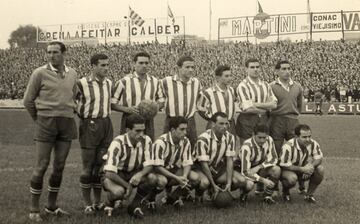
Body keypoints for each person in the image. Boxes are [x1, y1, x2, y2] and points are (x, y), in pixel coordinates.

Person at [23, 41, 78, 222]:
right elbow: (28, 101)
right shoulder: (39, 73)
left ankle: (52, 206)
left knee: (59, 166)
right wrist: (39, 119)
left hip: (67, 122)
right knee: (42, 165)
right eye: (49, 52)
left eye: (55, 52)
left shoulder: (72, 73)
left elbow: (73, 95)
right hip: (46, 122)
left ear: (64, 53)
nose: (51, 55)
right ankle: (33, 209)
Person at [76, 53, 113, 214]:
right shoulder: (82, 83)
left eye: (107, 65)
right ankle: (87, 203)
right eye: (102, 65)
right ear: (93, 66)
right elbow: (72, 102)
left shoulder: (109, 83)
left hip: (106, 124)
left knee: (100, 165)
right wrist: (84, 117)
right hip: (90, 125)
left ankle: (98, 202)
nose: (105, 68)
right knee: (88, 166)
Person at [101, 114, 157, 218]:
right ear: (127, 130)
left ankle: (134, 205)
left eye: (143, 130)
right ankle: (109, 202)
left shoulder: (146, 140)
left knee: (152, 178)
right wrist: (128, 187)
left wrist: (140, 174)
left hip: (133, 172)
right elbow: (109, 172)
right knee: (119, 192)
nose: (141, 134)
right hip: (116, 174)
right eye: (137, 131)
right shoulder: (118, 143)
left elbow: (149, 165)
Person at [193, 112, 245, 202]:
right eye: (221, 123)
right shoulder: (203, 139)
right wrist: (213, 184)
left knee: (240, 180)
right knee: (205, 182)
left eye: (226, 123)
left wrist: (228, 182)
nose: (224, 126)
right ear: (213, 124)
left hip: (217, 167)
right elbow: (203, 165)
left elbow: (229, 160)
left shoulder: (230, 137)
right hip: (200, 168)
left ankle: (221, 190)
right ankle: (199, 194)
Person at [111, 52, 162, 140]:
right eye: (141, 63)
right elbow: (112, 103)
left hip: (148, 120)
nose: (144, 65)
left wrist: (153, 108)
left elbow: (162, 100)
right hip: (130, 118)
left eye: (146, 63)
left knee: (147, 146)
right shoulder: (124, 81)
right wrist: (127, 109)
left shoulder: (155, 81)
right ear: (134, 64)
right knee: (128, 146)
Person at [151, 116, 199, 207]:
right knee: (162, 181)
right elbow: (157, 167)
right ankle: (150, 198)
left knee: (195, 178)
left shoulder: (185, 141)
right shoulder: (160, 143)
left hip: (173, 170)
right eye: (182, 129)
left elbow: (187, 162)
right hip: (159, 173)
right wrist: (177, 179)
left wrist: (184, 176)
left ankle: (172, 198)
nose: (185, 132)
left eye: (186, 129)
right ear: (173, 129)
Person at [159, 56, 202, 148]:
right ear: (178, 68)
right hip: (172, 121)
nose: (191, 70)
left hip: (190, 121)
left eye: (192, 67)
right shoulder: (166, 82)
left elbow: (200, 98)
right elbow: (158, 99)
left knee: (192, 149)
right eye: (187, 67)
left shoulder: (196, 82)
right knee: (167, 147)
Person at [236, 58, 277, 144]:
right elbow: (248, 108)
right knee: (247, 146)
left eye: (257, 67)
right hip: (247, 121)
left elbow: (274, 104)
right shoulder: (243, 86)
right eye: (252, 67)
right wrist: (265, 109)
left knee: (264, 147)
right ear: (246, 69)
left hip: (263, 121)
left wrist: (255, 104)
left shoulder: (265, 85)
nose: (255, 69)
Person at [279, 124, 325, 203]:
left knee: (320, 169)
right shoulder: (288, 146)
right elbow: (284, 165)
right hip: (289, 170)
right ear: (296, 137)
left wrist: (311, 166)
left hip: (305, 169)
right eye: (304, 137)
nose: (308, 139)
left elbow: (319, 158)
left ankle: (309, 195)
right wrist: (303, 169)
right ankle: (285, 192)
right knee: (292, 179)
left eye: (309, 136)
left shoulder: (313, 143)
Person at [236, 124, 280, 205]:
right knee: (250, 184)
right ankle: (243, 194)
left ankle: (267, 197)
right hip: (243, 170)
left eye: (264, 137)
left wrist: (259, 166)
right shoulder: (247, 146)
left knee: (276, 169)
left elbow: (274, 158)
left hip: (258, 168)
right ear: (253, 135)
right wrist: (264, 180)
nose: (263, 140)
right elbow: (245, 172)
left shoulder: (269, 139)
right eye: (259, 137)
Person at [269, 60, 303, 155]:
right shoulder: (271, 86)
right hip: (277, 121)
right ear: (276, 71)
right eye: (284, 69)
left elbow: (299, 106)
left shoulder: (298, 86)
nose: (287, 71)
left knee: (296, 150)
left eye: (289, 69)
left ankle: (294, 169)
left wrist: (294, 115)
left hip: (293, 121)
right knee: (276, 149)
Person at [198, 65, 237, 134]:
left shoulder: (231, 90)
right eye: (226, 76)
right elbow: (200, 108)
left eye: (230, 75)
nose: (229, 78)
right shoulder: (209, 92)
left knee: (230, 143)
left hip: (230, 124)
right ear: (218, 78)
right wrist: (211, 117)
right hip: (216, 125)